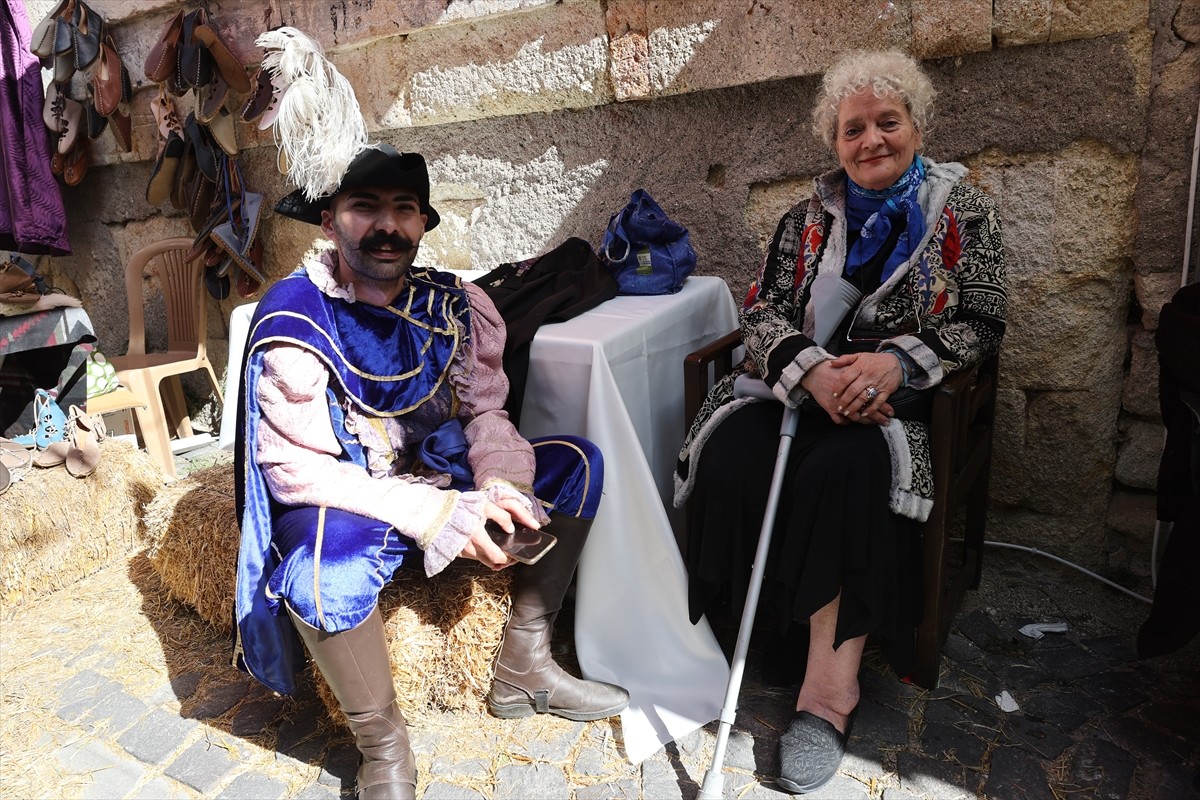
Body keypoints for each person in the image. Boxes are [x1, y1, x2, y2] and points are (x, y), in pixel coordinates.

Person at [233, 144, 629, 800]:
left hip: (441, 477)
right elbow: (294, 470)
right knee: (317, 576)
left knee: (577, 466)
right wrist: (437, 515)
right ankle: (383, 747)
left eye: (404, 210)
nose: (387, 226)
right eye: (366, 208)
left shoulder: (455, 305)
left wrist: (504, 484)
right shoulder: (297, 316)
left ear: (421, 223)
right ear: (329, 220)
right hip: (349, 497)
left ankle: (524, 664)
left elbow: (486, 414)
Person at [675, 50, 1006, 793]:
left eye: (888, 122)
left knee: (845, 471)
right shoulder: (805, 217)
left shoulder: (962, 211)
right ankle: (760, 633)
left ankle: (827, 693)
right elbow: (762, 310)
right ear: (835, 141)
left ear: (916, 127)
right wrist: (812, 370)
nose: (871, 141)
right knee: (730, 452)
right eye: (853, 129)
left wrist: (896, 363)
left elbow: (985, 319)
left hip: (893, 403)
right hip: (801, 388)